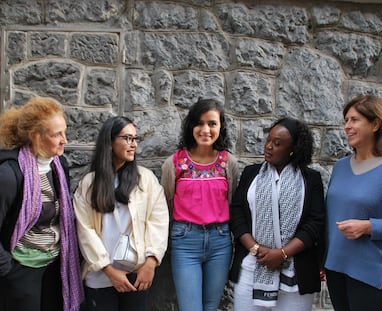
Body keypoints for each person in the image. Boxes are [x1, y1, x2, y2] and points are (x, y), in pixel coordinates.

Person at [324, 95, 382, 311]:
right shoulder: (341, 167)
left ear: (375, 124)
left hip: (373, 276)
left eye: (354, 120)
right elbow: (331, 216)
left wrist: (368, 227)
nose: (347, 126)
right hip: (336, 271)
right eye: (346, 120)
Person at [73, 116, 169, 311]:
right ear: (109, 142)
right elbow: (85, 229)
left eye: (135, 139)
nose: (133, 144)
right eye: (127, 138)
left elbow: (158, 221)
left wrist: (150, 263)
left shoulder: (145, 180)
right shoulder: (90, 183)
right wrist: (108, 269)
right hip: (100, 273)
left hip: (137, 272)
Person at [229, 117, 325, 311]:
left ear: (293, 149)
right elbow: (237, 213)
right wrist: (256, 248)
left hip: (295, 273)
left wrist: (282, 254)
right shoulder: (251, 174)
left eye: (277, 143)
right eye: (268, 140)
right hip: (252, 266)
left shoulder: (310, 179)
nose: (268, 146)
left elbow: (315, 223)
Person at [0, 97, 84, 311]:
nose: (64, 140)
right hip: (21, 271)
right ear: (35, 136)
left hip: (55, 267)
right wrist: (8, 270)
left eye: (64, 132)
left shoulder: (58, 166)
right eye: (56, 134)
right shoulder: (10, 174)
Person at [161, 98, 239, 311]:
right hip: (185, 242)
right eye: (200, 123)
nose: (206, 129)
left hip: (220, 242)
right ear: (190, 126)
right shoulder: (174, 163)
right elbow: (166, 203)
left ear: (220, 127)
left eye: (212, 123)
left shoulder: (228, 162)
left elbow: (232, 201)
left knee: (211, 306)